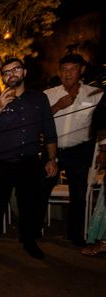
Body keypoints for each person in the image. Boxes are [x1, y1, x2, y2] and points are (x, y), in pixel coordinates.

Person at [0, 58, 58, 262]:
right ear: (3, 77)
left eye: (15, 69)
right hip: (2, 164)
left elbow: (49, 132)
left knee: (29, 207)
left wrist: (51, 159)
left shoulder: (39, 99)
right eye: (6, 72)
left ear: (24, 72)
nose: (10, 74)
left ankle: (29, 242)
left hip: (30, 163)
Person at [43, 54, 104, 246]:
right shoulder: (49, 94)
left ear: (81, 70)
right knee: (40, 190)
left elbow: (102, 125)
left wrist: (103, 149)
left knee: (78, 194)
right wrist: (58, 106)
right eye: (64, 69)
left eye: (72, 69)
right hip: (52, 150)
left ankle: (75, 235)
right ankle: (33, 232)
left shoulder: (96, 94)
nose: (67, 73)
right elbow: (39, 122)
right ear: (59, 72)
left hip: (80, 150)